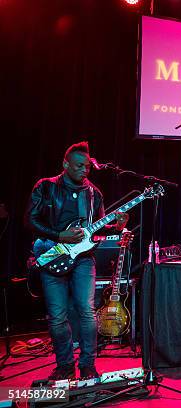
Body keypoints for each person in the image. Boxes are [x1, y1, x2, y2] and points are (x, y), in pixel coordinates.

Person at [25, 141, 127, 381]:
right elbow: (30, 220)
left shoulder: (94, 194)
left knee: (87, 311)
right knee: (58, 315)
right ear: (65, 164)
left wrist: (118, 225)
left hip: (83, 258)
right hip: (51, 253)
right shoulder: (47, 187)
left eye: (87, 167)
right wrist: (59, 235)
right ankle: (64, 365)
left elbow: (97, 230)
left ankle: (88, 364)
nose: (84, 170)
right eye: (79, 166)